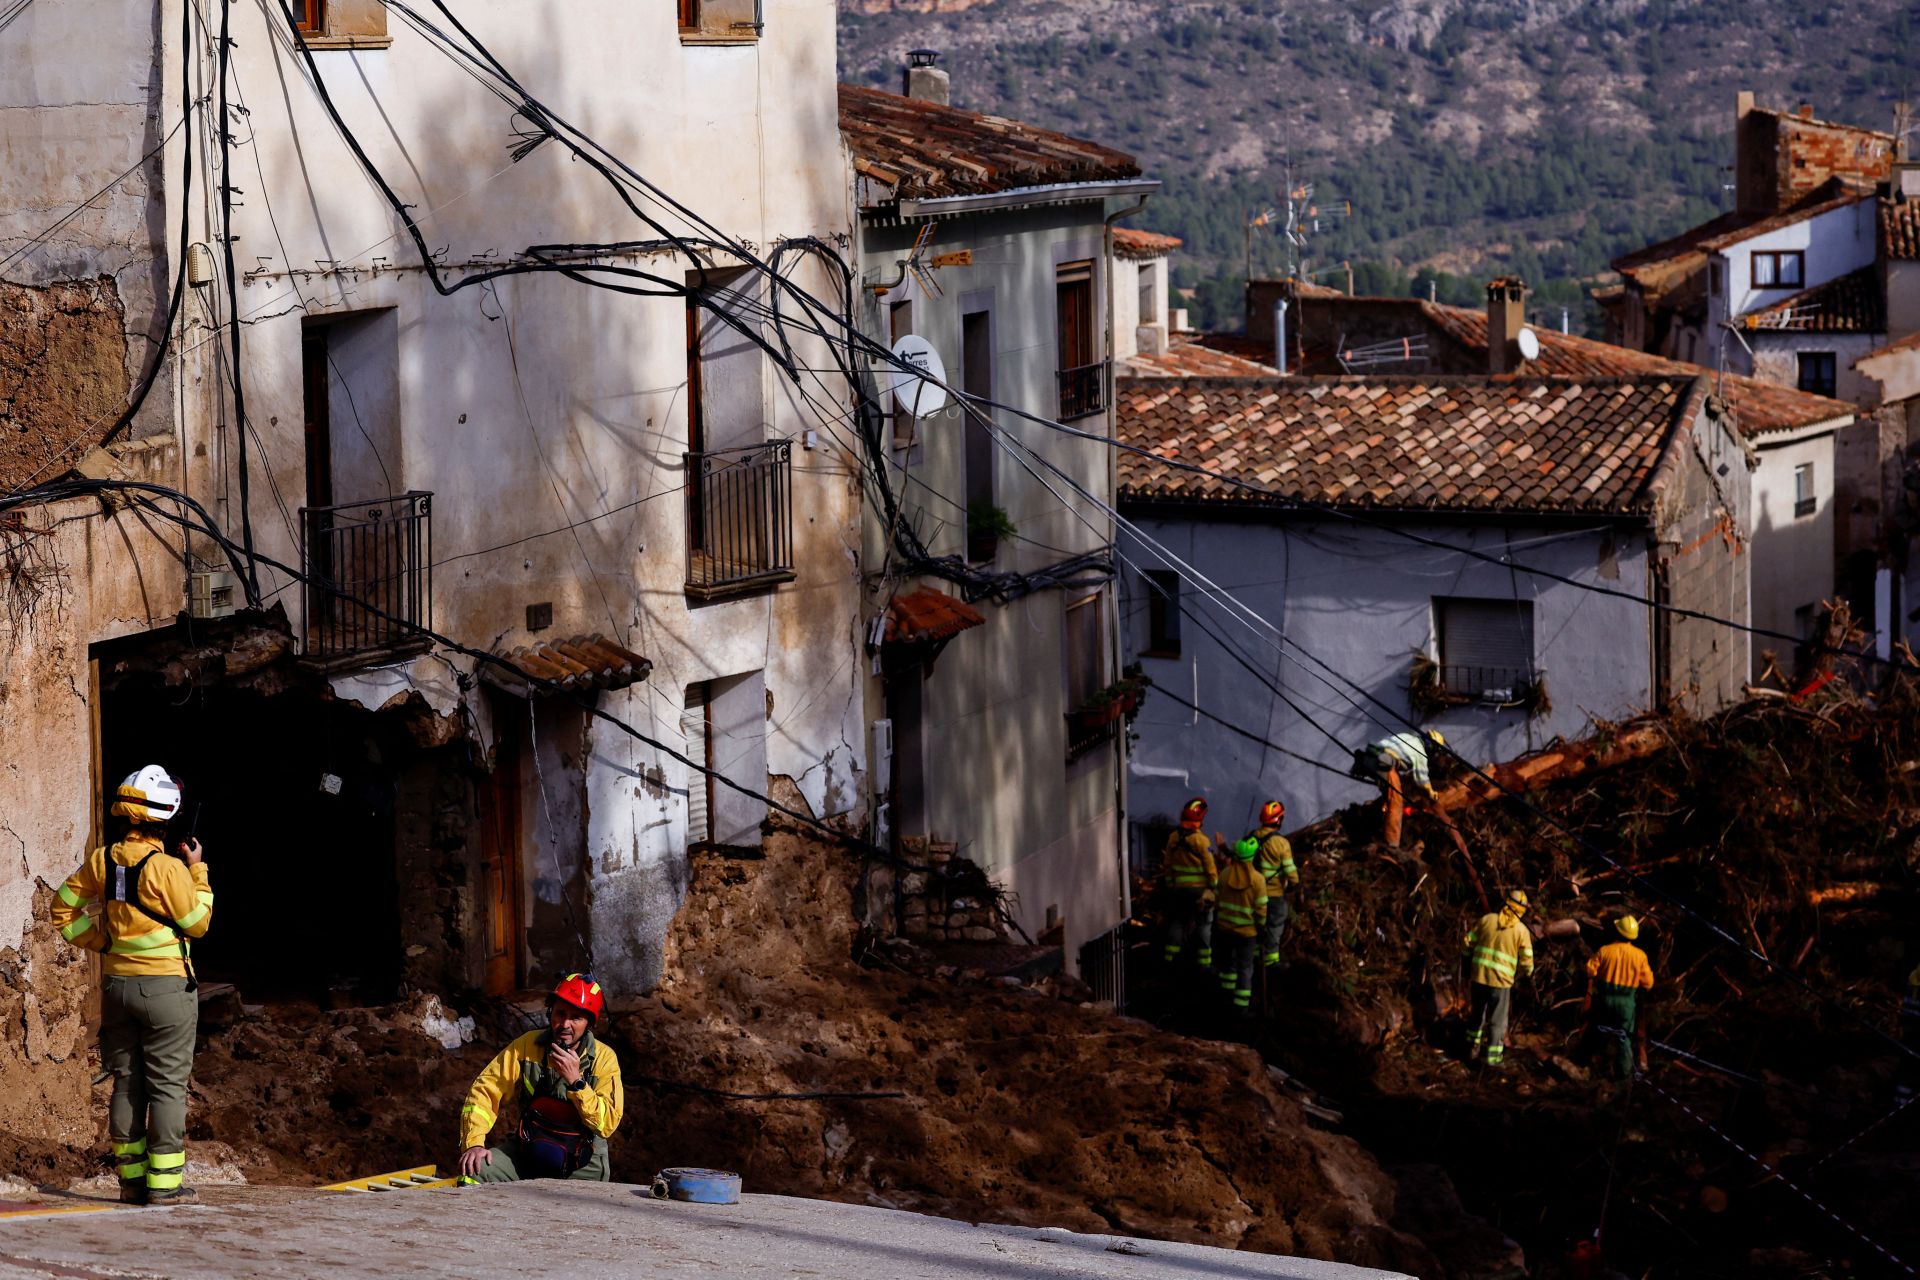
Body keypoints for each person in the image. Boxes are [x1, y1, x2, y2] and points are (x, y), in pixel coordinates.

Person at [50, 766, 213, 1205]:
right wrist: (198, 872)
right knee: (166, 1087)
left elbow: (62, 909)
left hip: (118, 988)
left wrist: (103, 942)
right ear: (166, 818)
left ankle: (131, 1183)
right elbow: (198, 924)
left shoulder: (103, 860)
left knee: (126, 1083)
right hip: (165, 992)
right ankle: (164, 1187)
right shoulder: (168, 868)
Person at [458, 973, 624, 1184]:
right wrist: (474, 1144)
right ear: (550, 1011)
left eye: (576, 1018)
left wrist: (577, 1082)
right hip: (529, 1150)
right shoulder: (527, 1046)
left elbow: (607, 1124)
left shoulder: (604, 1059)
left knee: (581, 1212)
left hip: (582, 1165)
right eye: (560, 1013)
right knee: (474, 1171)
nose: (565, 1024)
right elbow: (485, 1090)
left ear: (589, 1023)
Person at [1463, 889, 1534, 1067]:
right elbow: (1527, 961)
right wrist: (1527, 975)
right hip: (1500, 983)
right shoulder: (1521, 931)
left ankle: (1470, 1050)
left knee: (1476, 1015)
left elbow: (1467, 942)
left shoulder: (1487, 920)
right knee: (1497, 1021)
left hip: (1479, 977)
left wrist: (1467, 962)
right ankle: (1492, 1059)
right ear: (1522, 910)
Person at [1584, 915, 1655, 1081]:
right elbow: (1648, 983)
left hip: (1604, 999)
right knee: (1624, 1040)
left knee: (1597, 1032)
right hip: (1626, 1004)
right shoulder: (1640, 956)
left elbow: (1590, 971)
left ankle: (1591, 1069)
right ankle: (1623, 1076)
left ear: (1618, 931)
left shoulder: (1605, 950)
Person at [1354, 730, 1445, 846]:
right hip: (1383, 763)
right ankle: (1392, 844)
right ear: (1432, 747)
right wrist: (1432, 794)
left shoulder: (1406, 736)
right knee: (1396, 801)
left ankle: (1378, 817)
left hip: (1369, 756)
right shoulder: (1420, 753)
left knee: (1388, 793)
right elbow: (1422, 781)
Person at [1212, 837, 1269, 1013]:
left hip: (1225, 930)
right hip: (1247, 934)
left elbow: (1217, 900)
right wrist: (1261, 928)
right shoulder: (1258, 880)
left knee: (1227, 965)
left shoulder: (1224, 874)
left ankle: (1225, 997)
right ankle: (1241, 1006)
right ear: (1252, 857)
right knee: (1245, 968)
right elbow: (1261, 911)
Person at [1159, 798, 1217, 969]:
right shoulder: (1201, 841)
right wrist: (1214, 886)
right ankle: (1204, 962)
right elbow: (1210, 867)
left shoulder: (1173, 838)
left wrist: (1171, 885)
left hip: (1178, 890)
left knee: (1177, 922)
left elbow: (1167, 865)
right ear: (1200, 819)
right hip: (1199, 891)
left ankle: (1171, 958)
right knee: (1204, 924)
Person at [1251, 800, 1298, 970]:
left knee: (1257, 924)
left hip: (1254, 893)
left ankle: (1256, 955)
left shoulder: (1252, 837)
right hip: (1274, 893)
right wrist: (1294, 883)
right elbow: (1289, 869)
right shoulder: (1281, 843)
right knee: (1274, 925)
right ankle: (1270, 961)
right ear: (1279, 820)